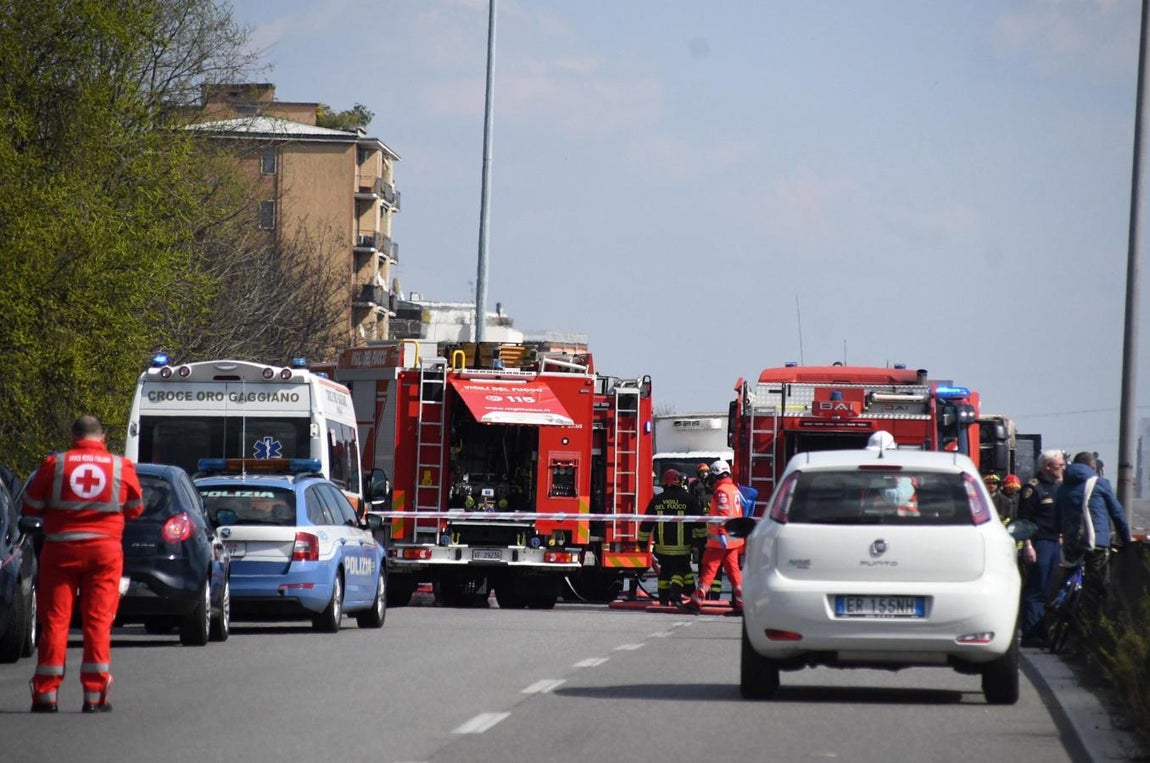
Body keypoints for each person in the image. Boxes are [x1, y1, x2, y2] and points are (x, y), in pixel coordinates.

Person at [21, 415, 144, 713]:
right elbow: (135, 508)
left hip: (60, 550)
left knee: (54, 621)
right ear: (102, 438)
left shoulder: (55, 464)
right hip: (104, 553)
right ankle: (95, 695)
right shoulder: (120, 466)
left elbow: (31, 506)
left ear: (73, 436)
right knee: (98, 621)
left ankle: (45, 695)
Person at [1054, 451, 1131, 639]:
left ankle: (1057, 614)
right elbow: (1117, 514)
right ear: (1093, 467)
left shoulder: (1064, 486)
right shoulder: (1099, 484)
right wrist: (1126, 539)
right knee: (1095, 587)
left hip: (1072, 544)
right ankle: (1089, 630)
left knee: (1068, 577)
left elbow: (1057, 517)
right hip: (1095, 542)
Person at [1017, 448, 1066, 647]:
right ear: (1047, 466)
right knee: (1035, 589)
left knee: (1046, 591)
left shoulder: (1058, 487)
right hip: (1039, 543)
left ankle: (1041, 631)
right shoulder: (1033, 489)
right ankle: (1030, 634)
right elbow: (1023, 520)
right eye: (1059, 465)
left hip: (1054, 542)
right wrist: (1028, 545)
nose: (1062, 468)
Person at [683, 460, 743, 615]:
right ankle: (742, 601)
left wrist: (722, 533)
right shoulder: (733, 489)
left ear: (716, 474)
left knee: (709, 568)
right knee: (733, 571)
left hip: (720, 540)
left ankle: (697, 599)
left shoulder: (721, 491)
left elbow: (723, 514)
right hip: (734, 539)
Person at [638, 469, 706, 606]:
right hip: (683, 547)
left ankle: (664, 599)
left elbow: (646, 523)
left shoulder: (657, 500)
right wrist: (703, 541)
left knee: (665, 573)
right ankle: (676, 593)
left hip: (662, 547)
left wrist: (642, 542)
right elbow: (700, 523)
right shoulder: (689, 499)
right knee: (680, 570)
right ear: (679, 482)